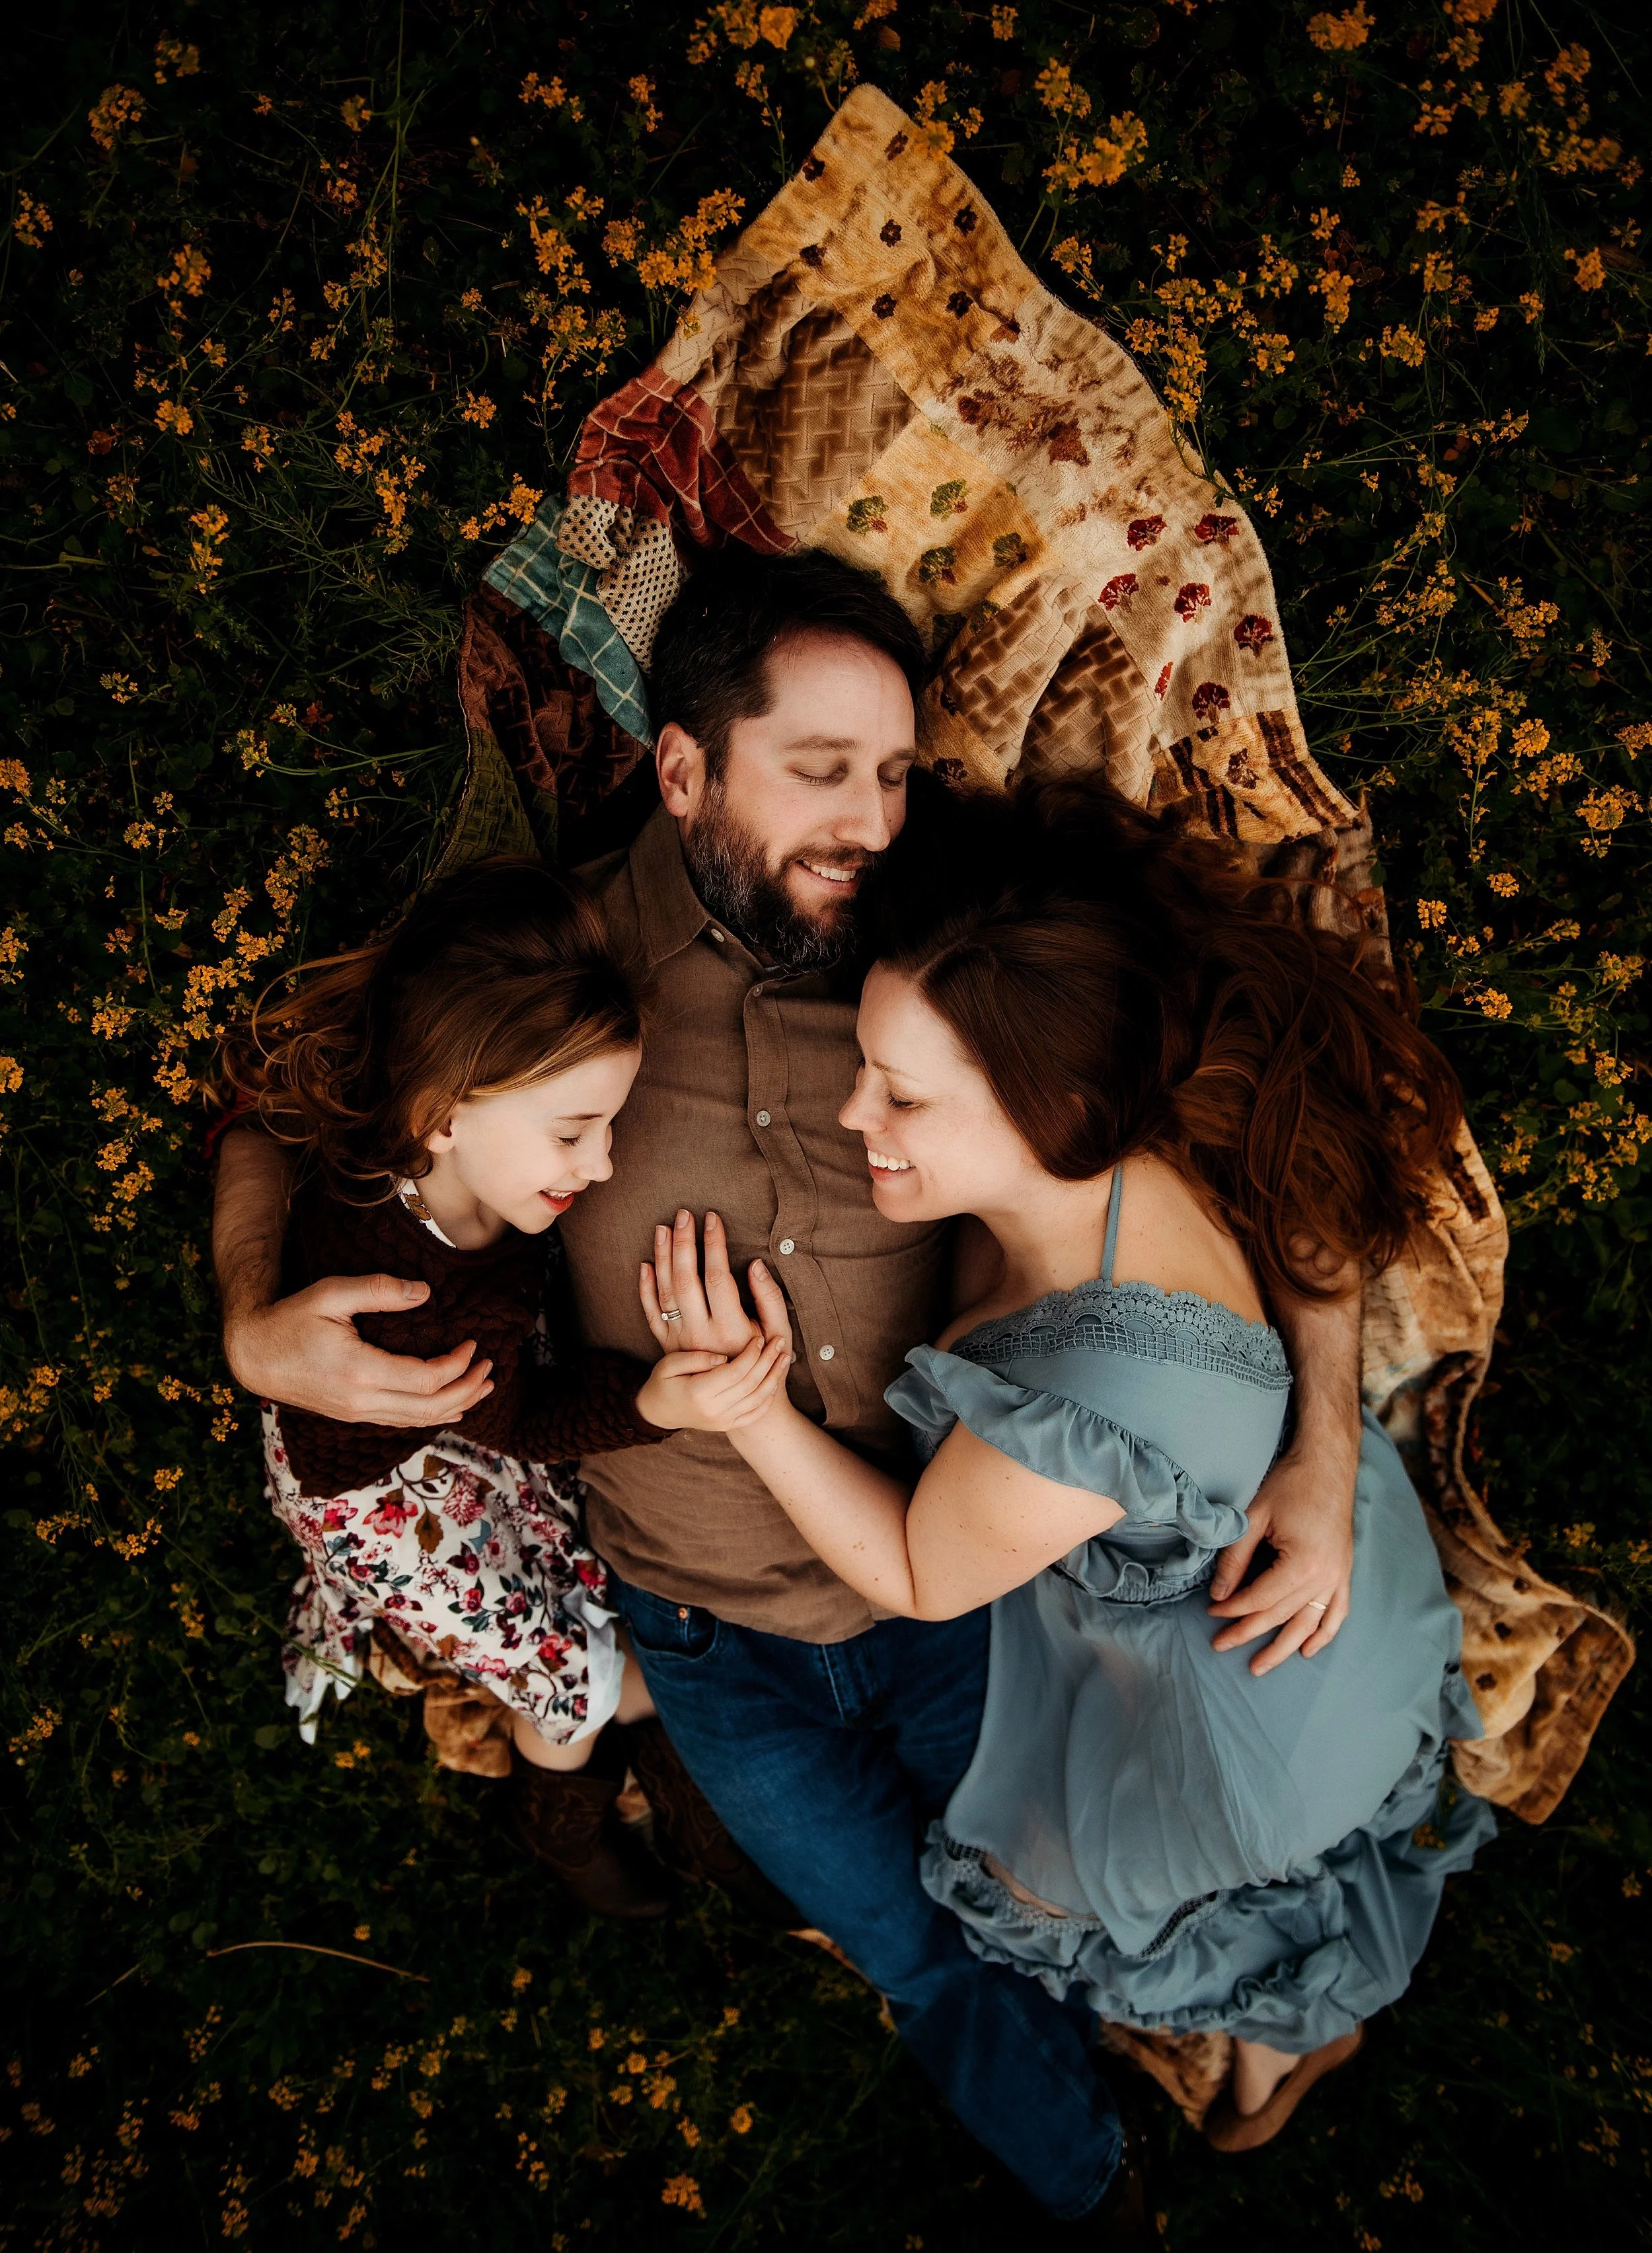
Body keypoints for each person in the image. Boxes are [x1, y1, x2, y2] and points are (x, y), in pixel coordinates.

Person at [212, 547, 1367, 2238]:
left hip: (965, 1590)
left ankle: (1242, 2014)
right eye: (819, 772)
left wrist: (1324, 1446)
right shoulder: (552, 966)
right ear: (683, 771)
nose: (870, 823)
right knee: (910, 1946)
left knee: (1069, 1890)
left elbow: (1288, 1130)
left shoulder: (960, 958)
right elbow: (269, 1109)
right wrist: (251, 1319)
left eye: (894, 775)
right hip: (703, 1635)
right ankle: (1097, 2187)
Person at [662, 775, 1495, 2151]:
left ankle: (1300, 2017)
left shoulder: (1104, 1388)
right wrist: (1324, 1445)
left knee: (1062, 1894)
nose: (856, 1114)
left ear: (1045, 1101)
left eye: (903, 1096)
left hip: (1244, 1710)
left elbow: (923, 1571)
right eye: (868, 1066)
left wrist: (747, 1404)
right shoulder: (1128, 1105)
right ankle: (1301, 2003)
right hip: (1308, 1554)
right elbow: (1316, 1208)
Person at [220, 857, 788, 1918]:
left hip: (447, 1431)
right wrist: (657, 1402)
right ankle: (558, 1817)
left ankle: (667, 1784)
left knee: (576, 1568)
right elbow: (528, 1425)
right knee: (577, 1676)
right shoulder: (423, 1298)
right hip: (370, 1499)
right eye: (574, 1133)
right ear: (443, 1113)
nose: (605, 1165)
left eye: (606, 1125)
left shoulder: (397, 1148)